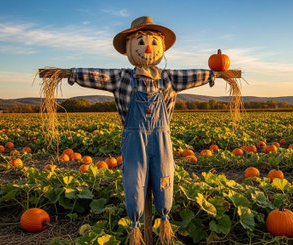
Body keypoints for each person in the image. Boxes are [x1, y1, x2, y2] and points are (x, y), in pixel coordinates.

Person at [68, 16, 215, 244]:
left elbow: (192, 75)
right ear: (128, 48)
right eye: (140, 42)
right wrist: (74, 74)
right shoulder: (122, 79)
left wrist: (212, 73)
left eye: (154, 42)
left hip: (162, 140)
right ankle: (136, 228)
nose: (147, 47)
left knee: (165, 177)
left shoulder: (169, 78)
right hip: (134, 141)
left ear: (162, 47)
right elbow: (98, 75)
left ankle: (164, 221)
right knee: (135, 181)